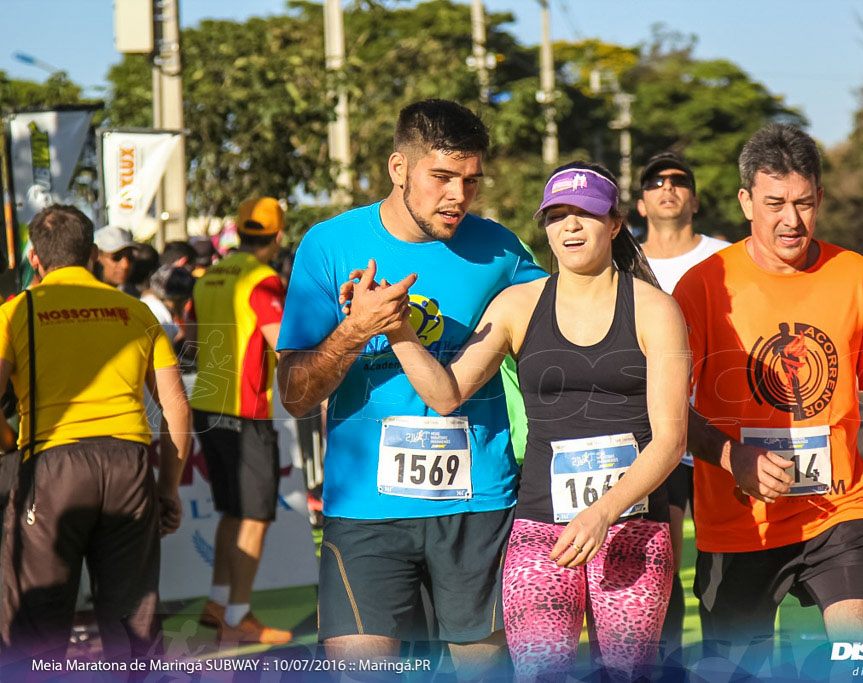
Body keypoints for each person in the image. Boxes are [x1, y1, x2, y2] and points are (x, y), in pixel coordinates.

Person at [373, 161, 689, 681]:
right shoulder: (518, 305)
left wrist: (603, 512)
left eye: (585, 213)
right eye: (557, 215)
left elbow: (670, 439)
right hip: (542, 533)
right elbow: (447, 393)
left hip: (632, 528)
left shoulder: (656, 310)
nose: (570, 226)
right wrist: (400, 330)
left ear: (613, 224)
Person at [275, 99, 545, 676]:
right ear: (399, 169)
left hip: (480, 504)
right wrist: (355, 330)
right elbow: (295, 396)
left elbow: (563, 343)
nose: (457, 196)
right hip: (365, 511)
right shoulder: (329, 245)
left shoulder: (503, 252)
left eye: (470, 181)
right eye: (441, 177)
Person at [673, 124, 863, 667]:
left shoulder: (853, 273)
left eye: (805, 203)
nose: (792, 220)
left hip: (837, 508)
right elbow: (668, 405)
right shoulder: (703, 285)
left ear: (820, 199)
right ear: (745, 202)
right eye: (775, 204)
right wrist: (730, 455)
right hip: (738, 518)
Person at [0, 205, 191, 664]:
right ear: (91, 254)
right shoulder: (135, 310)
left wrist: (10, 445)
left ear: (35, 257)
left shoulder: (15, 313)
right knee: (133, 623)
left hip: (53, 465)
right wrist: (166, 490)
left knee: (37, 620)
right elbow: (177, 408)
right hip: (128, 465)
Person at [636, 151, 729, 666]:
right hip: (655, 433)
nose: (667, 188)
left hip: (718, 429)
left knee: (724, 561)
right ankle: (667, 667)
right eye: (656, 181)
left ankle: (726, 664)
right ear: (641, 200)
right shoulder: (623, 258)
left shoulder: (725, 258)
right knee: (661, 560)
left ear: (693, 198)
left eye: (679, 181)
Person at [190, 197, 291, 644]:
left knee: (233, 510)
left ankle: (218, 604)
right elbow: (283, 343)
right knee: (253, 516)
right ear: (278, 235)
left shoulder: (210, 273)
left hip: (208, 402)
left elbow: (190, 336)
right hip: (245, 408)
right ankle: (238, 615)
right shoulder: (263, 280)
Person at [93, 225, 137, 290]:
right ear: (96, 255)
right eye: (116, 257)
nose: (125, 265)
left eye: (130, 258)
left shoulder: (135, 295)